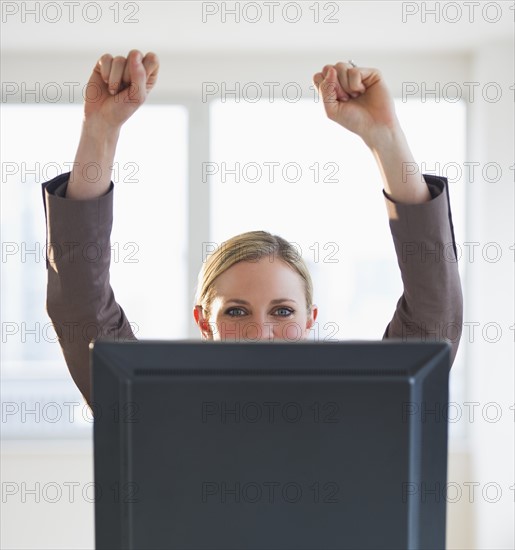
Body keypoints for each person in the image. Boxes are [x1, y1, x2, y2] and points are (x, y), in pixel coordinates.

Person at [42, 50, 463, 408]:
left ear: (310, 319)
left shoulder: (356, 408)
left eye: (282, 311)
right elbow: (82, 307)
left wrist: (385, 138)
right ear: (204, 322)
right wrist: (100, 130)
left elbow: (433, 316)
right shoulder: (156, 406)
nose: (260, 334)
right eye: (236, 311)